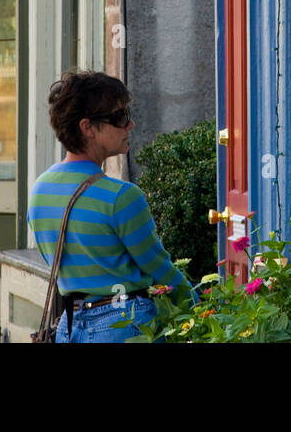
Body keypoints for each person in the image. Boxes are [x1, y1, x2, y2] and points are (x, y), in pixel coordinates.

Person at [27, 70, 193, 343]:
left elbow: (55, 261)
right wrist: (201, 309)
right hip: (124, 324)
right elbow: (159, 268)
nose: (131, 125)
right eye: (120, 117)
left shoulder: (40, 190)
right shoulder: (122, 197)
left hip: (70, 326)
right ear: (87, 127)